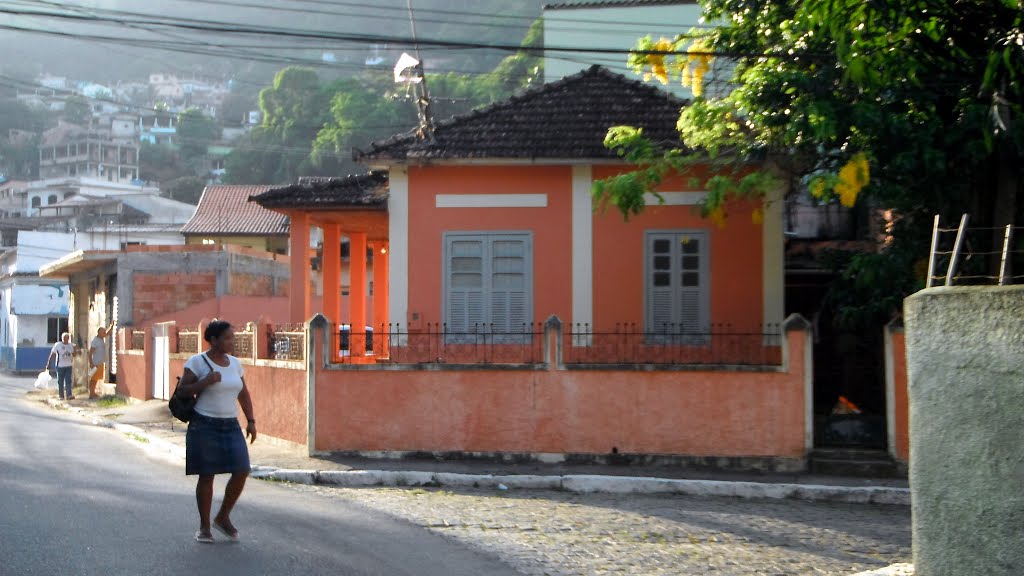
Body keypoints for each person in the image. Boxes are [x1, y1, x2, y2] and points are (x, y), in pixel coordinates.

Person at [176, 320, 257, 544]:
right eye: (228, 337)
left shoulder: (235, 364)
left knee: (242, 469)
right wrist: (205, 382)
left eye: (233, 336)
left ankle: (222, 517)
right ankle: (204, 528)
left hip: (230, 424)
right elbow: (182, 391)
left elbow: (244, 393)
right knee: (207, 474)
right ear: (214, 340)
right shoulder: (197, 362)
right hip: (204, 424)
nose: (232, 341)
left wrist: (250, 420)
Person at [88, 322, 115, 399]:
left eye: (104, 332)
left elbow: (108, 333)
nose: (104, 333)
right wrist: (91, 363)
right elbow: (90, 353)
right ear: (99, 332)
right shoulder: (95, 341)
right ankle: (91, 393)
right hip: (95, 363)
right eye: (103, 332)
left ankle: (93, 393)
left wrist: (111, 326)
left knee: (96, 378)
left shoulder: (101, 338)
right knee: (93, 379)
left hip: (100, 363)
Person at [46, 332, 76, 401]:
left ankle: (69, 395)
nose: (65, 339)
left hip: (68, 365)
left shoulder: (71, 345)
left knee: (68, 381)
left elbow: (74, 355)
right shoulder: (58, 345)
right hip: (60, 366)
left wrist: (75, 349)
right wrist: (49, 363)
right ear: (62, 338)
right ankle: (61, 395)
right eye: (64, 338)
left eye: (67, 338)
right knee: (60, 381)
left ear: (68, 339)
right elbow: (52, 354)